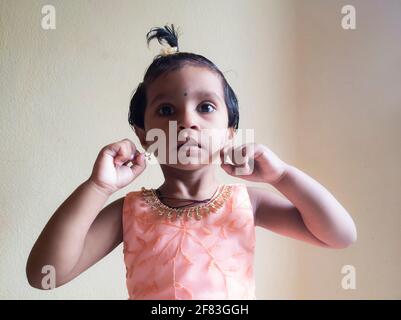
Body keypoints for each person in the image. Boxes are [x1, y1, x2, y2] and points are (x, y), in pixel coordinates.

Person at [26, 24, 357, 299]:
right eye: (166, 110)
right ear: (143, 133)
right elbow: (46, 276)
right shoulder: (130, 211)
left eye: (206, 107)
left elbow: (340, 235)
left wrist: (282, 176)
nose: (188, 121)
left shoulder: (248, 202)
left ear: (230, 131)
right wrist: (98, 186)